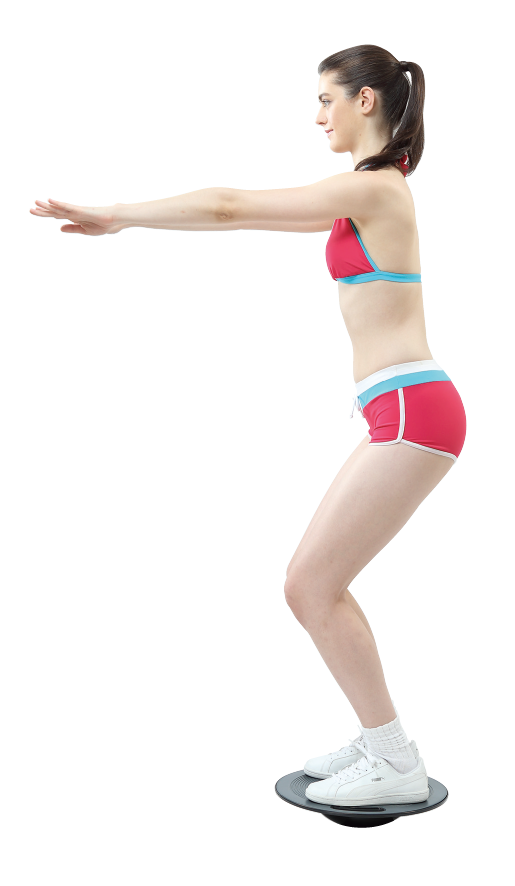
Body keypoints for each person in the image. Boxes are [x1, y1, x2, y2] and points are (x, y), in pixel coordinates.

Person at [30, 43, 466, 808]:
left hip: (412, 410)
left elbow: (230, 205)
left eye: (327, 99)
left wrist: (119, 214)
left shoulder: (374, 190)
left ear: (364, 101)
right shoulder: (366, 191)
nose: (318, 115)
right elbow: (236, 217)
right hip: (398, 407)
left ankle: (393, 758)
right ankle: (379, 743)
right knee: (315, 584)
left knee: (310, 586)